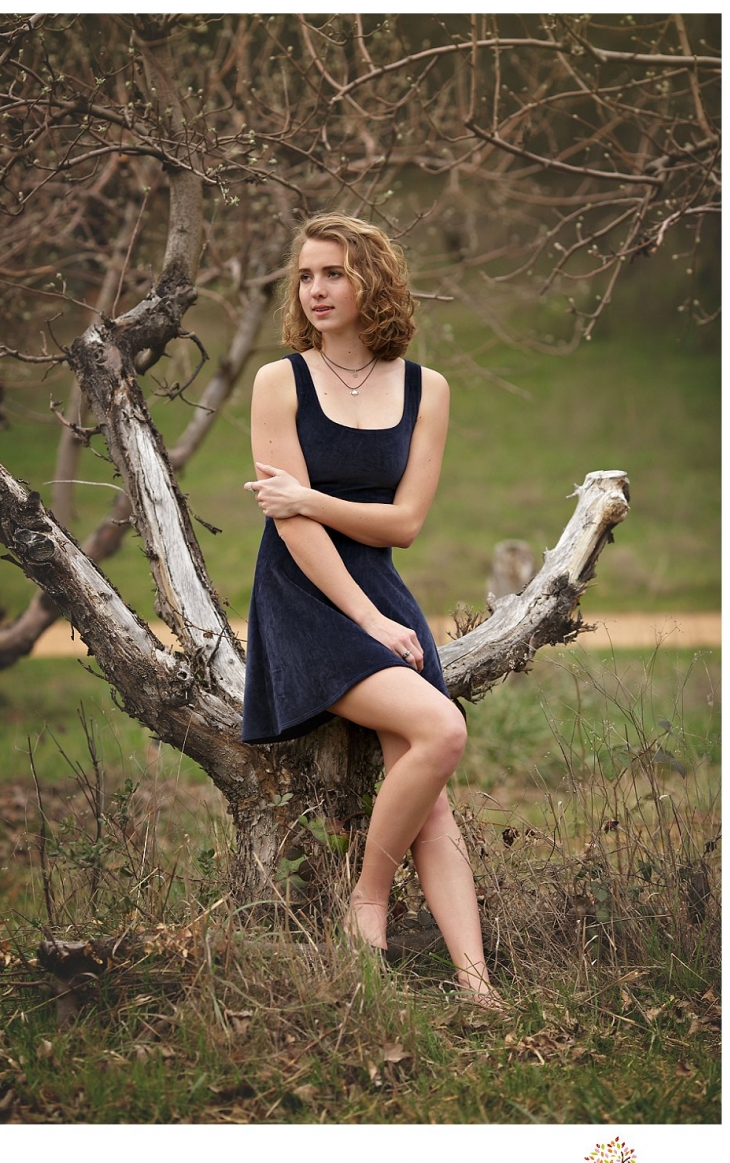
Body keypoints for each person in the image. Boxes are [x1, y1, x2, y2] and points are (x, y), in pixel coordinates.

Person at [242, 211, 505, 1011]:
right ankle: (368, 901)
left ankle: (477, 986)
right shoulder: (279, 380)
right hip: (305, 593)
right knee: (443, 731)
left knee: (430, 792)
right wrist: (365, 618)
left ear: (372, 282)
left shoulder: (427, 389)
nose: (316, 290)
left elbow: (405, 524)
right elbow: (289, 523)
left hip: (383, 590)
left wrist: (315, 498)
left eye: (334, 273)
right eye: (306, 275)